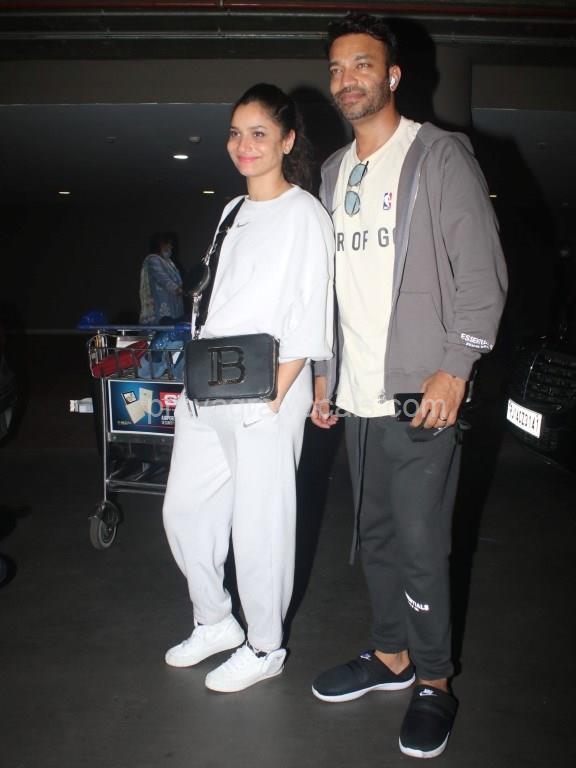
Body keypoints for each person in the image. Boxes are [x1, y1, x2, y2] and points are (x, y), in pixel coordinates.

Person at [310, 13, 507, 759]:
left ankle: (434, 680)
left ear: (393, 75)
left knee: (423, 542)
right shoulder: (333, 172)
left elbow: (482, 272)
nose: (347, 79)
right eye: (336, 68)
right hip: (357, 392)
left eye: (362, 64)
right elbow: (329, 287)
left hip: (420, 388)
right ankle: (391, 655)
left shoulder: (437, 156)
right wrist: (324, 375)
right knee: (377, 537)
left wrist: (457, 366)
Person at [162, 84, 334, 693]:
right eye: (236, 133)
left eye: (259, 133)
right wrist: (194, 386)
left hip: (267, 386)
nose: (244, 145)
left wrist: (276, 395)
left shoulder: (305, 214)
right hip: (210, 384)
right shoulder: (232, 210)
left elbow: (312, 311)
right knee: (184, 511)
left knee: (260, 525)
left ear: (287, 141)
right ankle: (215, 620)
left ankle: (264, 646)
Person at [139, 233, 184, 324]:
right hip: (160, 311)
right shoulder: (152, 259)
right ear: (159, 245)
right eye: (168, 244)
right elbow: (162, 278)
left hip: (175, 310)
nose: (171, 247)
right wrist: (177, 289)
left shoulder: (170, 263)